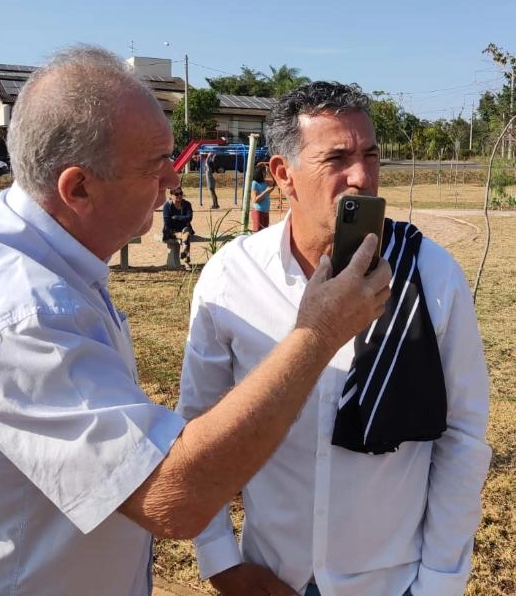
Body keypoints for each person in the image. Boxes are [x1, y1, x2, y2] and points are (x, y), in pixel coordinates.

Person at [0, 47, 391, 596]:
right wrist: (316, 335)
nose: (173, 182)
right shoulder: (22, 310)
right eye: (155, 165)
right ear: (79, 187)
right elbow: (174, 497)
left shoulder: (25, 247)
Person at [178, 81, 491, 596]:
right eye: (337, 158)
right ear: (284, 175)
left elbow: (461, 437)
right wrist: (221, 562)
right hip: (271, 574)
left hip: (393, 581)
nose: (363, 177)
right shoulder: (231, 278)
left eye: (370, 155)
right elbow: (197, 426)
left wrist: (438, 582)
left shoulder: (429, 273)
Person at [162, 186, 196, 269]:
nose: (179, 196)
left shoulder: (187, 204)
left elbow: (189, 218)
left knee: (186, 232)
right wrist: (182, 220)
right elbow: (168, 222)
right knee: (186, 236)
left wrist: (177, 217)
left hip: (184, 228)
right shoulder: (167, 206)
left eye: (181, 193)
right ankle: (186, 261)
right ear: (171, 195)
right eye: (177, 194)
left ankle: (184, 253)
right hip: (171, 230)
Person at [250, 163, 273, 231]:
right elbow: (255, 200)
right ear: (259, 173)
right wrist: (266, 191)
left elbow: (274, 181)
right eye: (264, 172)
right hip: (258, 211)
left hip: (266, 211)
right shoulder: (255, 183)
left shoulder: (265, 182)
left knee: (265, 233)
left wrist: (268, 170)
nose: (265, 174)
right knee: (257, 232)